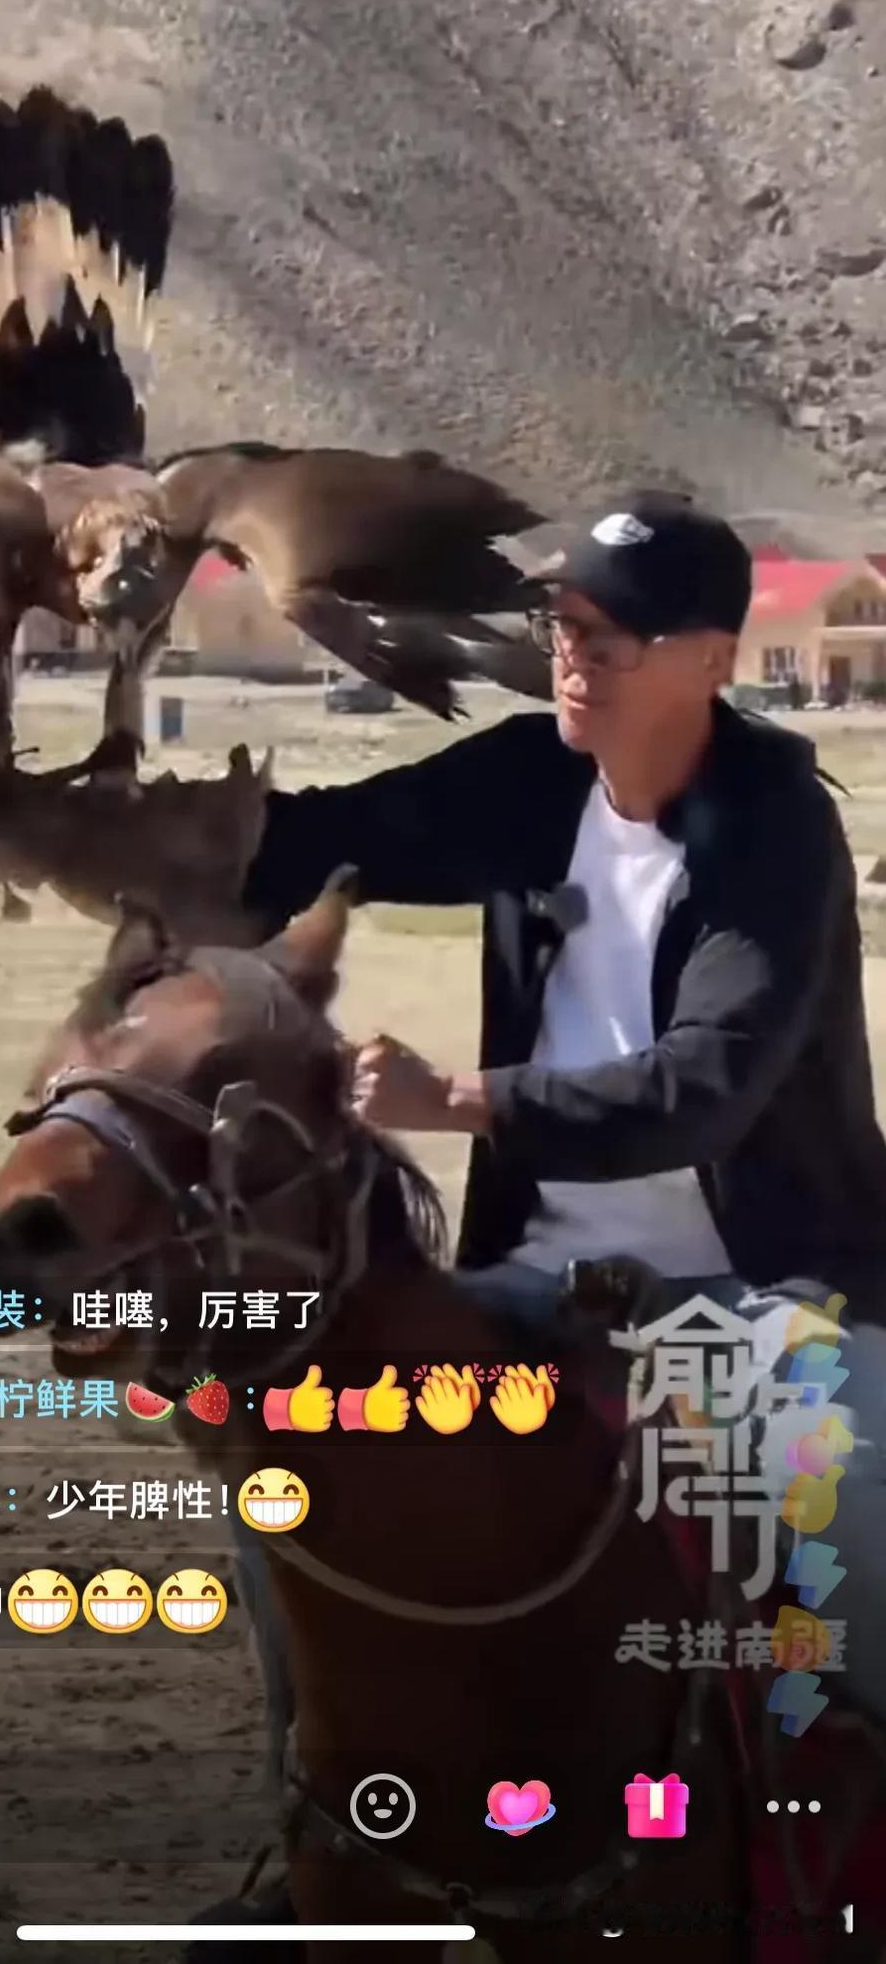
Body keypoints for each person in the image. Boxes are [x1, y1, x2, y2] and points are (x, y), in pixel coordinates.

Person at [207, 492, 886, 1925]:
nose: (569, 657)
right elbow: (308, 843)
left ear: (708, 656)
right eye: (558, 627)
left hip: (775, 1301)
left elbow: (709, 1082)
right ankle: (313, 1808)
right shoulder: (531, 779)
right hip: (529, 1287)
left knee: (863, 1530)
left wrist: (467, 1100)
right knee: (302, 1456)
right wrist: (54, 815)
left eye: (605, 635)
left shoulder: (775, 831)